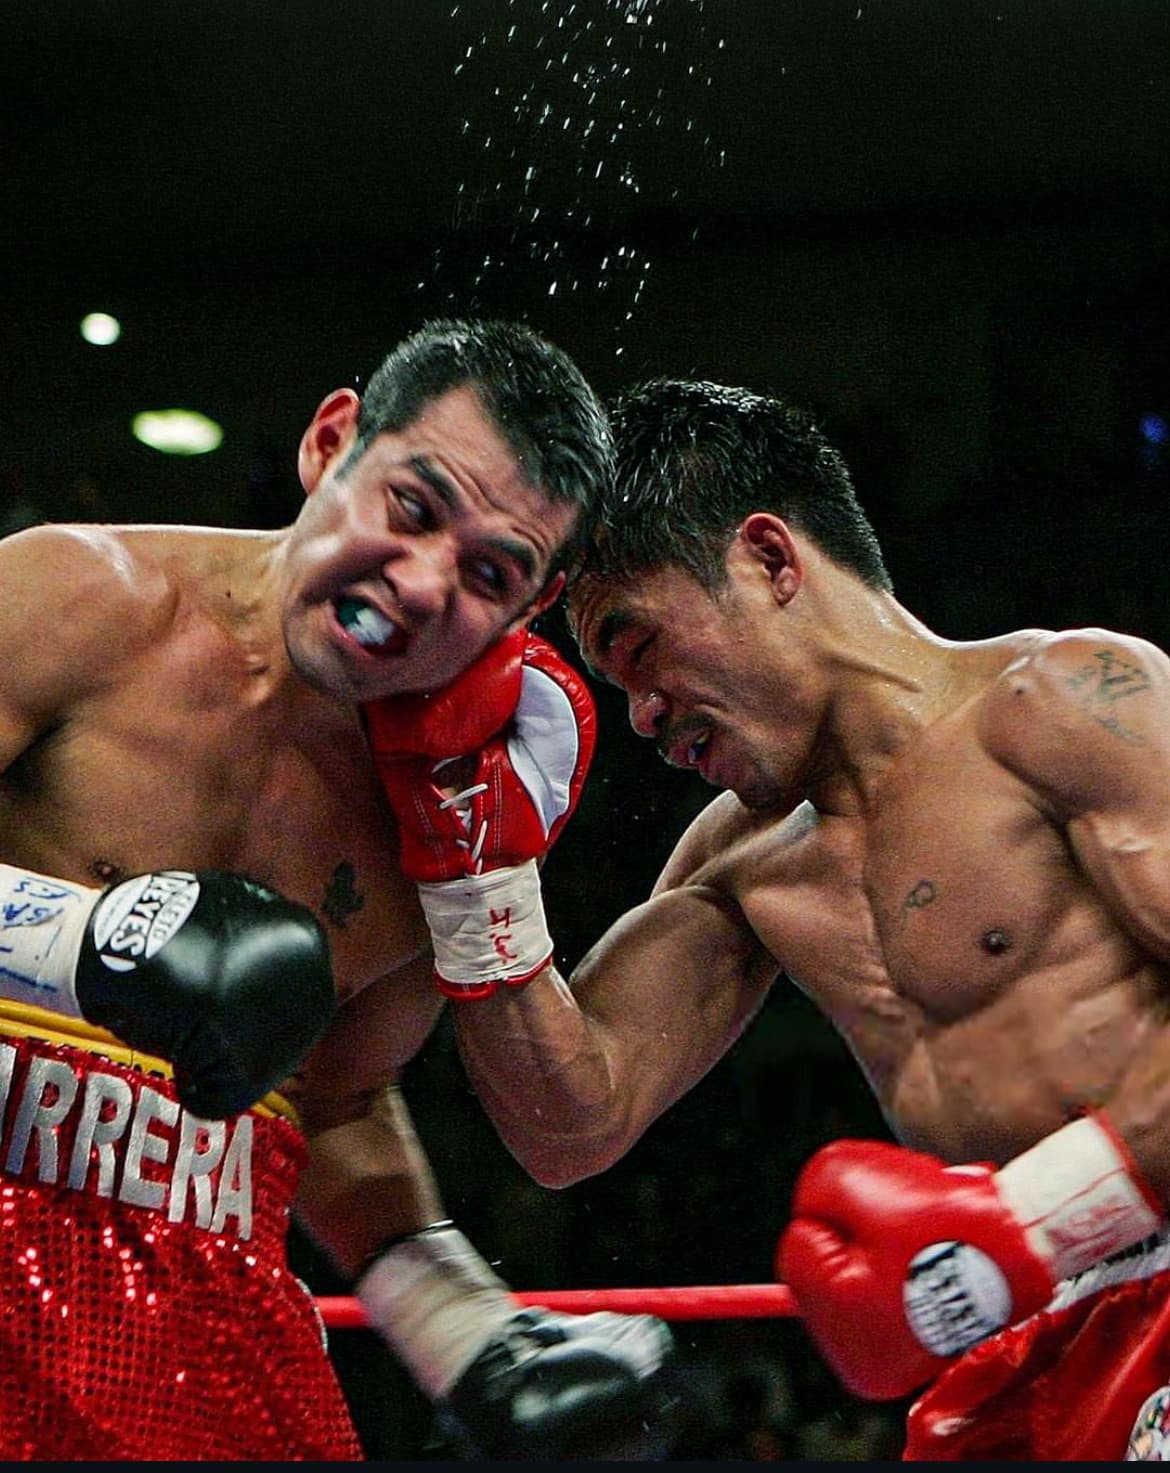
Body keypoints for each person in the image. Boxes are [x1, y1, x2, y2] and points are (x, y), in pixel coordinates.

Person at [375, 374, 1170, 1462]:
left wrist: (1040, 1214)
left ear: (768, 558)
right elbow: (569, 1126)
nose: (641, 716)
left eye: (639, 647)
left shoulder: (1069, 701)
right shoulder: (741, 859)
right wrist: (479, 876)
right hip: (1001, 1337)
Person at [0, 319, 675, 1462]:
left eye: (490, 573)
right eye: (412, 508)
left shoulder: (449, 815)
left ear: (531, 608)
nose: (420, 583)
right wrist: (81, 942)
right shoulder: (78, 597)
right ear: (330, 445)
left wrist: (467, 1335)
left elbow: (336, 1104)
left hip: (209, 1338)